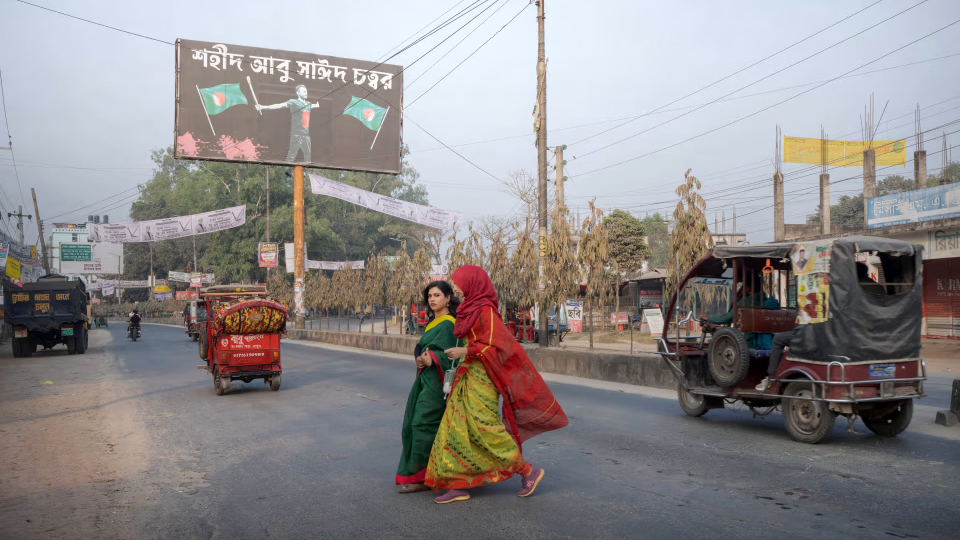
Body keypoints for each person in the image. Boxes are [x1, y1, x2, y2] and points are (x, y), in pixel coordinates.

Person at [425, 265, 568, 504]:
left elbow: (498, 346)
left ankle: (527, 471)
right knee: (456, 429)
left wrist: (465, 349)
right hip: (467, 373)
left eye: (458, 282)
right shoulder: (469, 307)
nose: (456, 287)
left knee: (486, 428)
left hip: (483, 376)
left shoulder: (485, 311)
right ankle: (459, 484)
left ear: (472, 283)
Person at [396, 281, 461, 494]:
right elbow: (421, 347)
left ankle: (424, 476)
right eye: (430, 296)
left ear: (448, 298)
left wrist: (433, 358)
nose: (432, 299)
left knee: (422, 424)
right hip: (426, 380)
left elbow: (454, 354)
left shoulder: (450, 323)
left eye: (437, 295)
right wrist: (419, 358)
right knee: (416, 424)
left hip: (438, 383)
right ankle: (426, 474)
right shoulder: (434, 322)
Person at [256, 85, 321, 163]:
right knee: (290, 158)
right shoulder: (293, 102)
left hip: (306, 135)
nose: (306, 93)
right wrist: (263, 107)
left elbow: (314, 106)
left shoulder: (308, 104)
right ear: (298, 93)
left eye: (306, 91)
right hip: (296, 135)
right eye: (304, 91)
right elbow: (279, 105)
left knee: (308, 159)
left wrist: (318, 105)